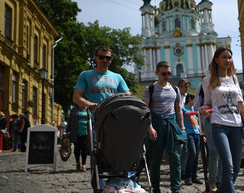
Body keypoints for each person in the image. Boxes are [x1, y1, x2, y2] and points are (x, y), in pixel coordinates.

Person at [73, 46, 130, 185]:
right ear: (95, 57)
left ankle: (116, 185)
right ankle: (100, 186)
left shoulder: (117, 77)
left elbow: (128, 95)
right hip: (95, 121)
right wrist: (90, 104)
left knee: (116, 154)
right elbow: (76, 96)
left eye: (108, 58)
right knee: (96, 154)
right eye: (102, 57)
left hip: (115, 122)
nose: (105, 60)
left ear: (111, 59)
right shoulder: (85, 75)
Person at [200, 46, 244, 193]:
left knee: (235, 167)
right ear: (216, 60)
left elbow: (240, 103)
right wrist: (204, 108)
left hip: (236, 125)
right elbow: (208, 102)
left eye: (229, 57)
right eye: (224, 57)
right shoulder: (208, 81)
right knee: (227, 165)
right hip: (219, 125)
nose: (228, 60)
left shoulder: (234, 79)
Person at [142, 61, 186, 193]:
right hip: (156, 124)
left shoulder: (175, 89)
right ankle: (155, 187)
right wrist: (150, 128)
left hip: (172, 124)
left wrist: (182, 127)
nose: (167, 76)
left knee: (175, 157)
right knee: (156, 159)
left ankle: (175, 189)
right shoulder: (150, 89)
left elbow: (178, 108)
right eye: (164, 73)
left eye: (169, 73)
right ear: (157, 73)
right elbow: (146, 110)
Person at [195, 79, 221, 192]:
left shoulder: (226, 81)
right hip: (210, 121)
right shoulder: (203, 84)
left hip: (225, 121)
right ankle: (212, 180)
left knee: (224, 150)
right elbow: (196, 107)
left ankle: (222, 179)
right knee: (214, 150)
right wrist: (205, 115)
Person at [182, 93, 203, 185]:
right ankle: (188, 176)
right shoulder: (183, 109)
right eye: (195, 99)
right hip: (188, 134)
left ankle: (194, 176)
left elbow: (196, 122)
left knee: (196, 156)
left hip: (197, 134)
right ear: (190, 99)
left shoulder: (193, 110)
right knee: (193, 154)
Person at [67, 105, 89, 172]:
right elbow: (70, 120)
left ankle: (83, 165)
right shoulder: (74, 109)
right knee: (77, 149)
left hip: (86, 132)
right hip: (75, 132)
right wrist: (67, 131)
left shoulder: (88, 109)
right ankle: (77, 163)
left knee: (84, 149)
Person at [177, 78, 191, 176]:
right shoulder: (176, 96)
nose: (186, 89)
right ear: (180, 87)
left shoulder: (187, 97)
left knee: (186, 149)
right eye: (185, 87)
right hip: (178, 125)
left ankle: (183, 170)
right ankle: (178, 170)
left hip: (188, 126)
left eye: (187, 87)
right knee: (180, 149)